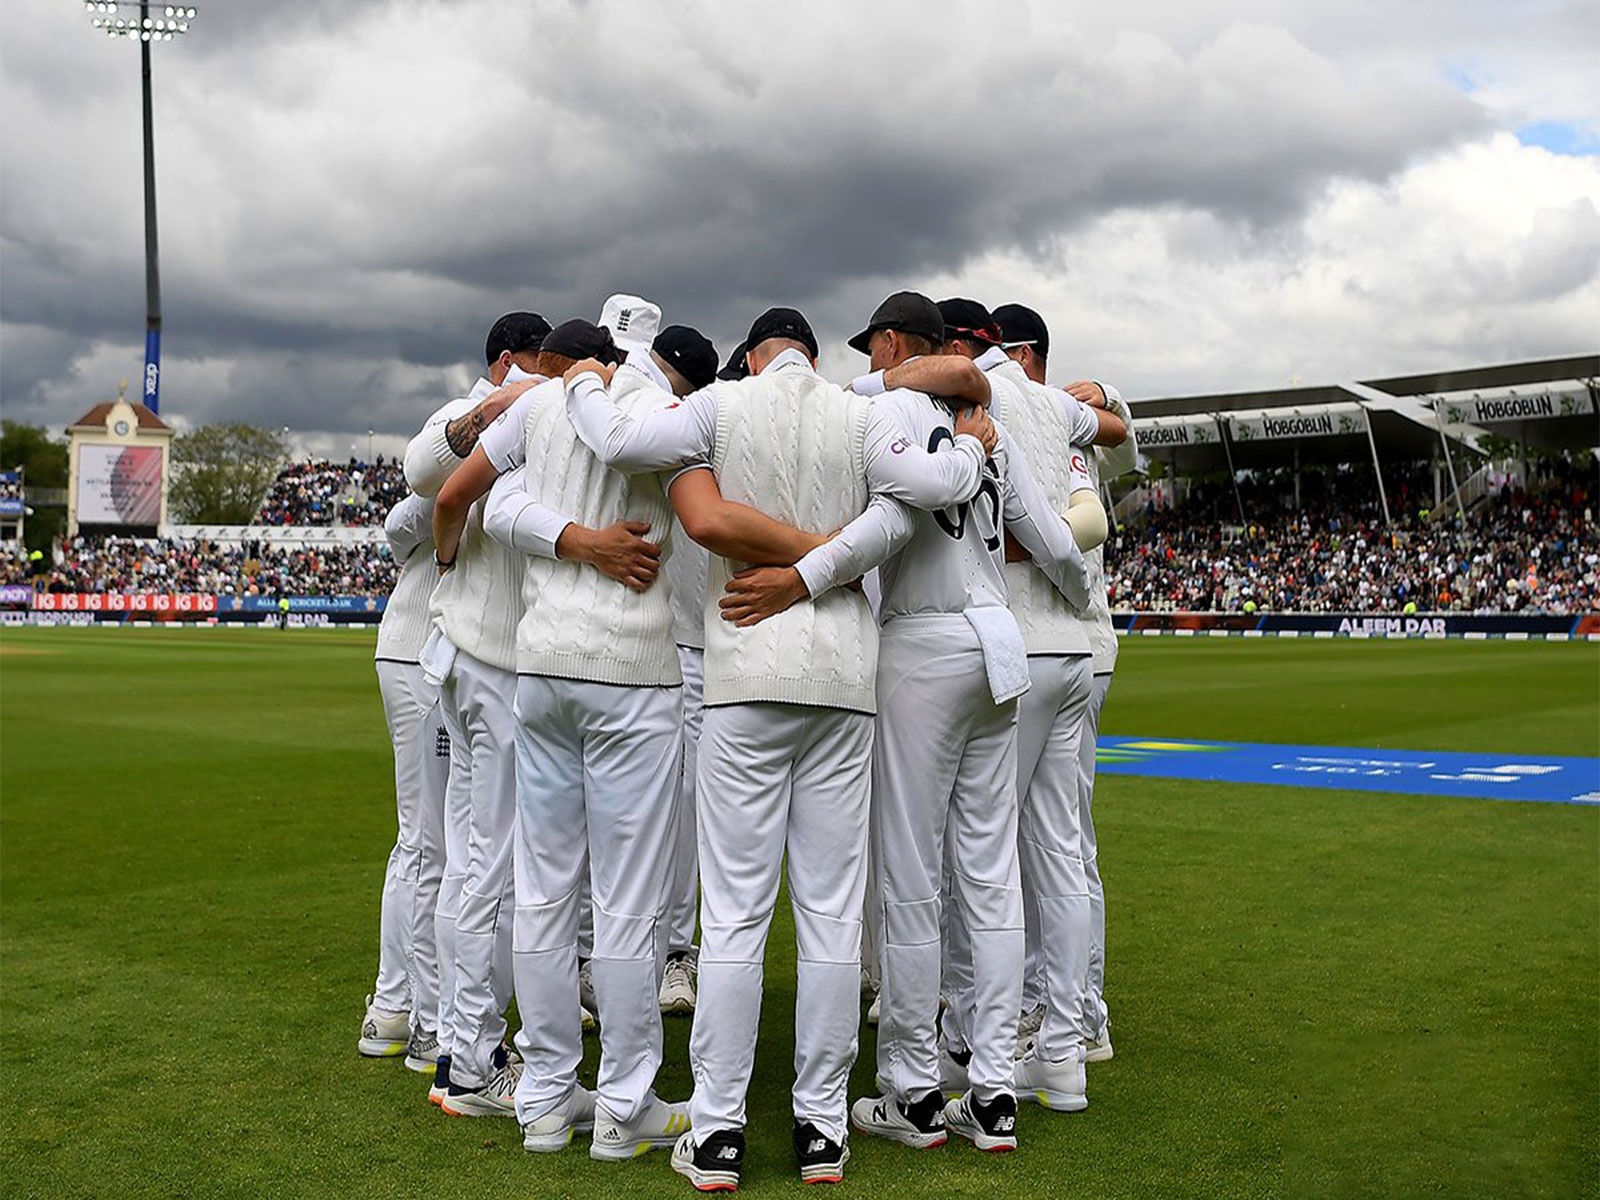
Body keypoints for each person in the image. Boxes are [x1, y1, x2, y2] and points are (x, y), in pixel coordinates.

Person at [562, 303, 994, 1188]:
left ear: (755, 355)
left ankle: (719, 1129)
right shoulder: (859, 410)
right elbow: (913, 508)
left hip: (744, 669)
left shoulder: (722, 405)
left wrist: (583, 378)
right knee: (833, 917)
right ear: (804, 351)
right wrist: (826, 568)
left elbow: (622, 445)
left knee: (734, 917)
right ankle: (821, 1128)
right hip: (843, 675)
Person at [835, 291, 1091, 1154]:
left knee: (911, 876)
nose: (870, 361)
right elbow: (1052, 539)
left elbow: (903, 492)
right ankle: (991, 1094)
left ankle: (911, 1089)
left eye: (875, 345)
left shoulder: (883, 407)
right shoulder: (986, 419)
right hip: (1002, 644)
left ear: (896, 341)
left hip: (924, 644)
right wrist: (1085, 608)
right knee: (990, 876)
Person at [928, 299, 1107, 1112]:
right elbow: (1113, 430)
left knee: (982, 861)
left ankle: (975, 1052)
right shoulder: (1052, 401)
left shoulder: (968, 402)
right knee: (1062, 856)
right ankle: (1064, 1053)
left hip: (1016, 644)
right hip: (1075, 644)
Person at [402, 311, 549, 1117]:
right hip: (485, 659)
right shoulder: (487, 406)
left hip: (471, 654)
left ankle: (456, 1044)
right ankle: (468, 1058)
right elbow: (423, 469)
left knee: (470, 860)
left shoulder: (533, 407)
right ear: (509, 360)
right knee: (491, 863)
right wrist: (488, 411)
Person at [994, 301, 1137, 1065]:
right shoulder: (1056, 423)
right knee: (1053, 842)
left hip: (1062, 642)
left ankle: (1065, 1012)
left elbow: (1122, 443)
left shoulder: (1054, 421)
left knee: (1048, 842)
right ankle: (1068, 1014)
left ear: (1023, 356)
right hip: (1073, 646)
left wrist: (1109, 395)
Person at [356, 491, 454, 1077]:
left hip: (428, 652)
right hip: (424, 654)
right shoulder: (465, 424)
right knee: (428, 843)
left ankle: (395, 1006)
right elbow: (401, 522)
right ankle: (422, 1020)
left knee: (424, 842)